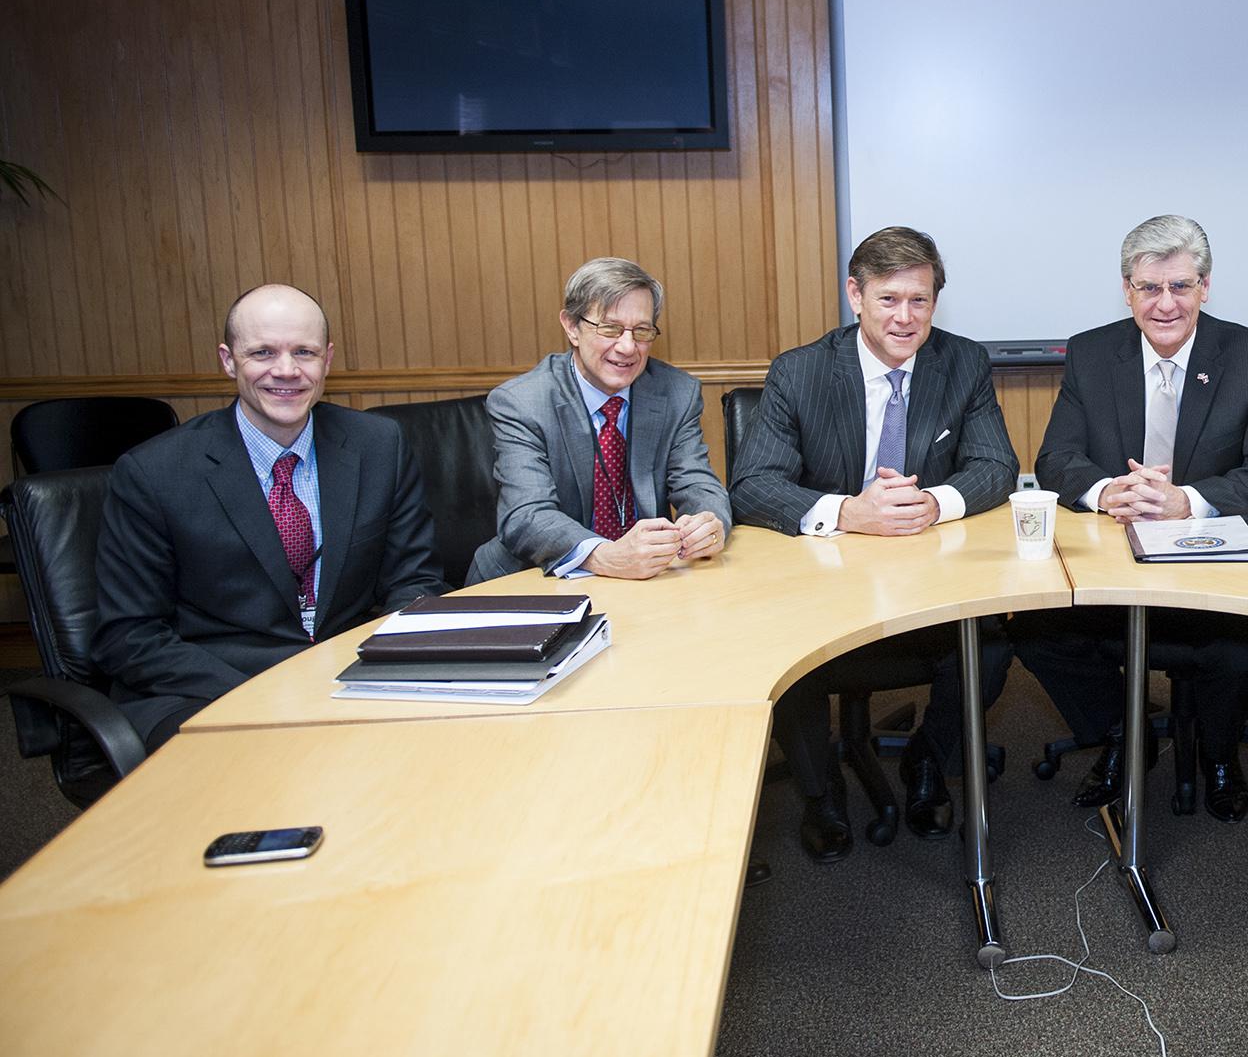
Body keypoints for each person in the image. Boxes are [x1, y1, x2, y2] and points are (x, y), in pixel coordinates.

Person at [731, 226, 1021, 863]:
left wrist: (934, 503)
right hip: (822, 582)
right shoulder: (801, 371)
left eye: (920, 301)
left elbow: (997, 465)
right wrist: (849, 512)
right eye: (889, 299)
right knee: (787, 652)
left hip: (928, 580)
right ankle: (820, 791)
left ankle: (926, 758)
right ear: (854, 296)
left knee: (992, 648)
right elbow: (752, 485)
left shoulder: (962, 362)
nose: (905, 317)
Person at [1016, 215, 1248, 823]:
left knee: (1238, 644)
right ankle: (1124, 736)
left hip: (1216, 558)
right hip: (1114, 552)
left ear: (1205, 287)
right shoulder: (1094, 352)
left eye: (1180, 286)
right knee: (1039, 632)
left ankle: (1221, 753)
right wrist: (1105, 492)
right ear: (1127, 289)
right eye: (1150, 288)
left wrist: (1186, 500)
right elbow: (1056, 458)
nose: (1165, 304)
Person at [93, 284, 448, 750]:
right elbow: (129, 636)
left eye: (304, 352)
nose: (287, 370)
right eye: (263, 352)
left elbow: (414, 579)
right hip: (209, 689)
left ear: (328, 360)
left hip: (352, 677)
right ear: (227, 360)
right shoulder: (154, 472)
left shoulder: (379, 445)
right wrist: (270, 693)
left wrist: (388, 666)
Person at [469, 257, 730, 583]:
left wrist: (708, 521)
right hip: (532, 581)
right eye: (610, 328)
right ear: (571, 326)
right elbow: (527, 514)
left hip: (647, 583)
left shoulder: (676, 392)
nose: (627, 347)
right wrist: (605, 555)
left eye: (642, 331)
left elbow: (697, 483)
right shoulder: (522, 402)